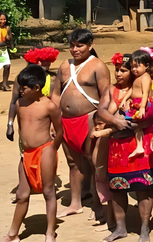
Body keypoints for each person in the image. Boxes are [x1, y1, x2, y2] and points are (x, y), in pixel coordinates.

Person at [50, 28, 115, 219]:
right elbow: (55, 94)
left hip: (89, 118)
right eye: (72, 45)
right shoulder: (64, 66)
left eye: (79, 45)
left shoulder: (98, 66)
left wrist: (101, 121)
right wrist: (53, 120)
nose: (75, 49)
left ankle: (98, 205)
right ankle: (75, 203)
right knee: (73, 163)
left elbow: (106, 95)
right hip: (65, 121)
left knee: (94, 161)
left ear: (90, 45)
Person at [96, 54, 153, 242]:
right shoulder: (111, 90)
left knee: (143, 189)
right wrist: (115, 119)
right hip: (117, 146)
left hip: (138, 145)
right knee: (117, 189)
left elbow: (152, 113)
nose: (119, 73)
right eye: (117, 69)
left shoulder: (142, 86)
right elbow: (101, 111)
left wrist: (135, 123)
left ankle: (145, 229)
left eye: (123, 70)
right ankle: (120, 228)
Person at [0, 65, 63, 242]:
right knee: (22, 194)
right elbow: (23, 128)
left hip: (45, 150)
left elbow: (59, 131)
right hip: (26, 153)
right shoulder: (20, 103)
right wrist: (10, 125)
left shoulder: (49, 106)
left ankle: (50, 232)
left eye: (24, 88)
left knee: (49, 192)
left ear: (36, 88)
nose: (20, 90)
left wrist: (52, 149)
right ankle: (13, 233)